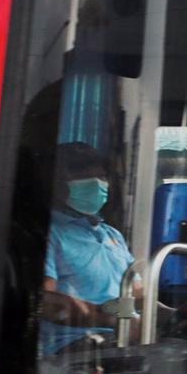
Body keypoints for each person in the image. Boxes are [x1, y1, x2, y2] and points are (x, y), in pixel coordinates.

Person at [40, 143, 137, 356]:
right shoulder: (50, 234)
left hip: (121, 338)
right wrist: (107, 317)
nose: (98, 185)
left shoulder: (112, 235)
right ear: (59, 185)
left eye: (102, 178)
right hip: (71, 349)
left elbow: (137, 292)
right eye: (85, 178)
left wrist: (175, 314)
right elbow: (46, 300)